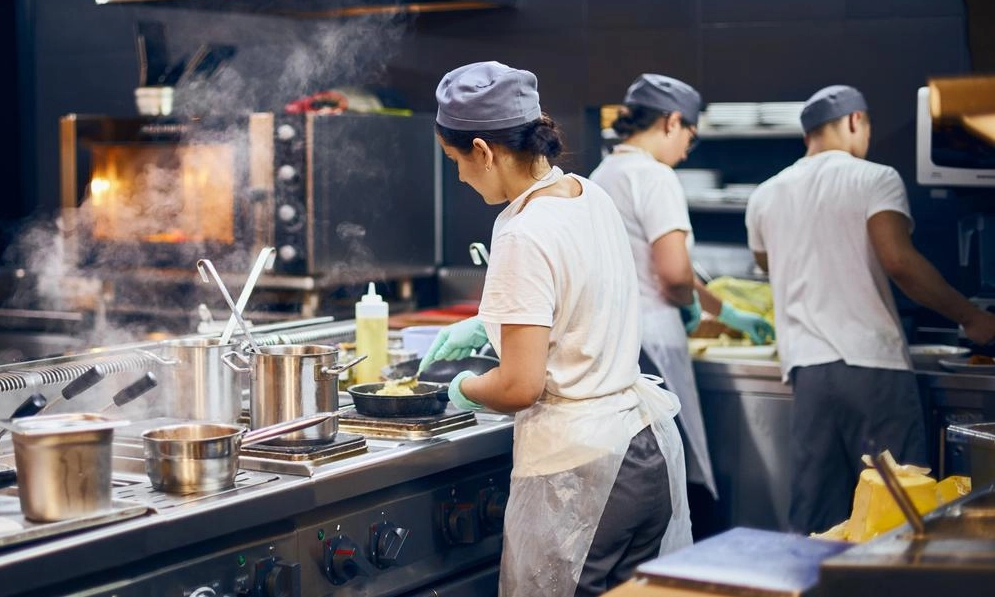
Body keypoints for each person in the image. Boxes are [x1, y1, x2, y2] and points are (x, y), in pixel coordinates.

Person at [418, 61, 691, 596]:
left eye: (455, 161)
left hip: (583, 474)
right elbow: (579, 299)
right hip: (644, 450)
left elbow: (520, 387)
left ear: (483, 150)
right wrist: (489, 321)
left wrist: (455, 391)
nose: (459, 176)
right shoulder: (588, 194)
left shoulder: (523, 231)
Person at [746, 85, 995, 534]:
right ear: (855, 121)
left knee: (818, 517)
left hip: (808, 369)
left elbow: (768, 263)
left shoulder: (766, 194)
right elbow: (899, 261)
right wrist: (972, 317)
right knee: (899, 505)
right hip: (873, 366)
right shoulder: (874, 177)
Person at [589, 74, 774, 503]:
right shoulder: (654, 177)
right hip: (654, 341)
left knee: (631, 470)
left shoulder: (602, 173)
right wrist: (689, 306)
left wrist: (721, 310)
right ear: (672, 122)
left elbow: (663, 267)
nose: (688, 147)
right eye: (690, 133)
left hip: (612, 339)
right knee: (671, 468)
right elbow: (673, 275)